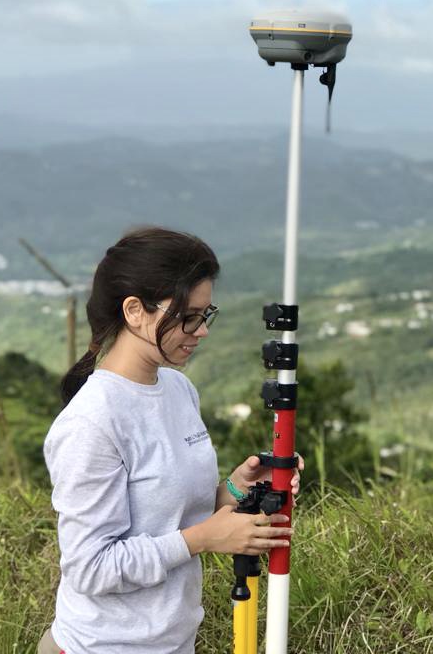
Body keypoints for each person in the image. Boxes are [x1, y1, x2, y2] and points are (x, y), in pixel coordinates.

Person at [38, 226, 302, 654]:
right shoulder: (92, 421)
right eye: (187, 316)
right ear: (134, 310)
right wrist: (204, 539)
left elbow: (168, 515)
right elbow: (90, 568)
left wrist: (236, 488)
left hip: (173, 642)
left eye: (205, 313)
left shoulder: (178, 390)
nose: (201, 331)